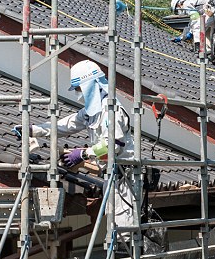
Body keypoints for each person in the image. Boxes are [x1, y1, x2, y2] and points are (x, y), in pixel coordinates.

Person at [17, 60, 138, 241]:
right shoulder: (92, 111)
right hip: (111, 176)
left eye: (79, 88)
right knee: (113, 227)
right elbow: (65, 125)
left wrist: (82, 154)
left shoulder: (111, 110)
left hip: (125, 178)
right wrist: (33, 130)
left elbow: (113, 145)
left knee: (124, 231)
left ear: (90, 85)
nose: (78, 94)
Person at [171, 0, 215, 67]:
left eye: (176, 10)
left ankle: (199, 50)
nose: (178, 12)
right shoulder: (194, 1)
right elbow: (192, 22)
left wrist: (187, 34)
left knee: (199, 26)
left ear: (179, 5)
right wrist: (182, 37)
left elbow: (195, 20)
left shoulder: (186, 4)